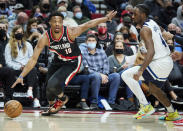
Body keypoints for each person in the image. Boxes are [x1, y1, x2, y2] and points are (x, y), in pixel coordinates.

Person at [11, 11, 117, 115]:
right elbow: (33, 59)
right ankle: (53, 106)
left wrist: (106, 19)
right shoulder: (45, 38)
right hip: (58, 60)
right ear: (50, 23)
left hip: (73, 61)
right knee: (48, 87)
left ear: (62, 23)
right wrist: (21, 75)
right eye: (54, 21)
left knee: (53, 85)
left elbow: (88, 24)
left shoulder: (71, 32)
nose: (57, 23)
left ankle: (63, 99)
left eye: (59, 21)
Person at [121, 4, 181, 120]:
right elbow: (163, 32)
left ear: (143, 15)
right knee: (154, 89)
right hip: (166, 62)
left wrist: (140, 70)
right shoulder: (152, 22)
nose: (132, 17)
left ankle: (145, 106)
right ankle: (172, 113)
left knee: (126, 75)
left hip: (159, 62)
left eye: (135, 14)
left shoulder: (145, 29)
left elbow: (151, 52)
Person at [81, 34, 120, 109]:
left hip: (103, 75)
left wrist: (104, 75)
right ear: (86, 42)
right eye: (89, 41)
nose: (91, 42)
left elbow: (106, 65)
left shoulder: (102, 52)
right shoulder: (83, 53)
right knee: (96, 76)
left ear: (96, 42)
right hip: (91, 75)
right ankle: (94, 102)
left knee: (116, 76)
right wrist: (100, 75)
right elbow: (87, 68)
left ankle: (111, 102)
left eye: (93, 41)